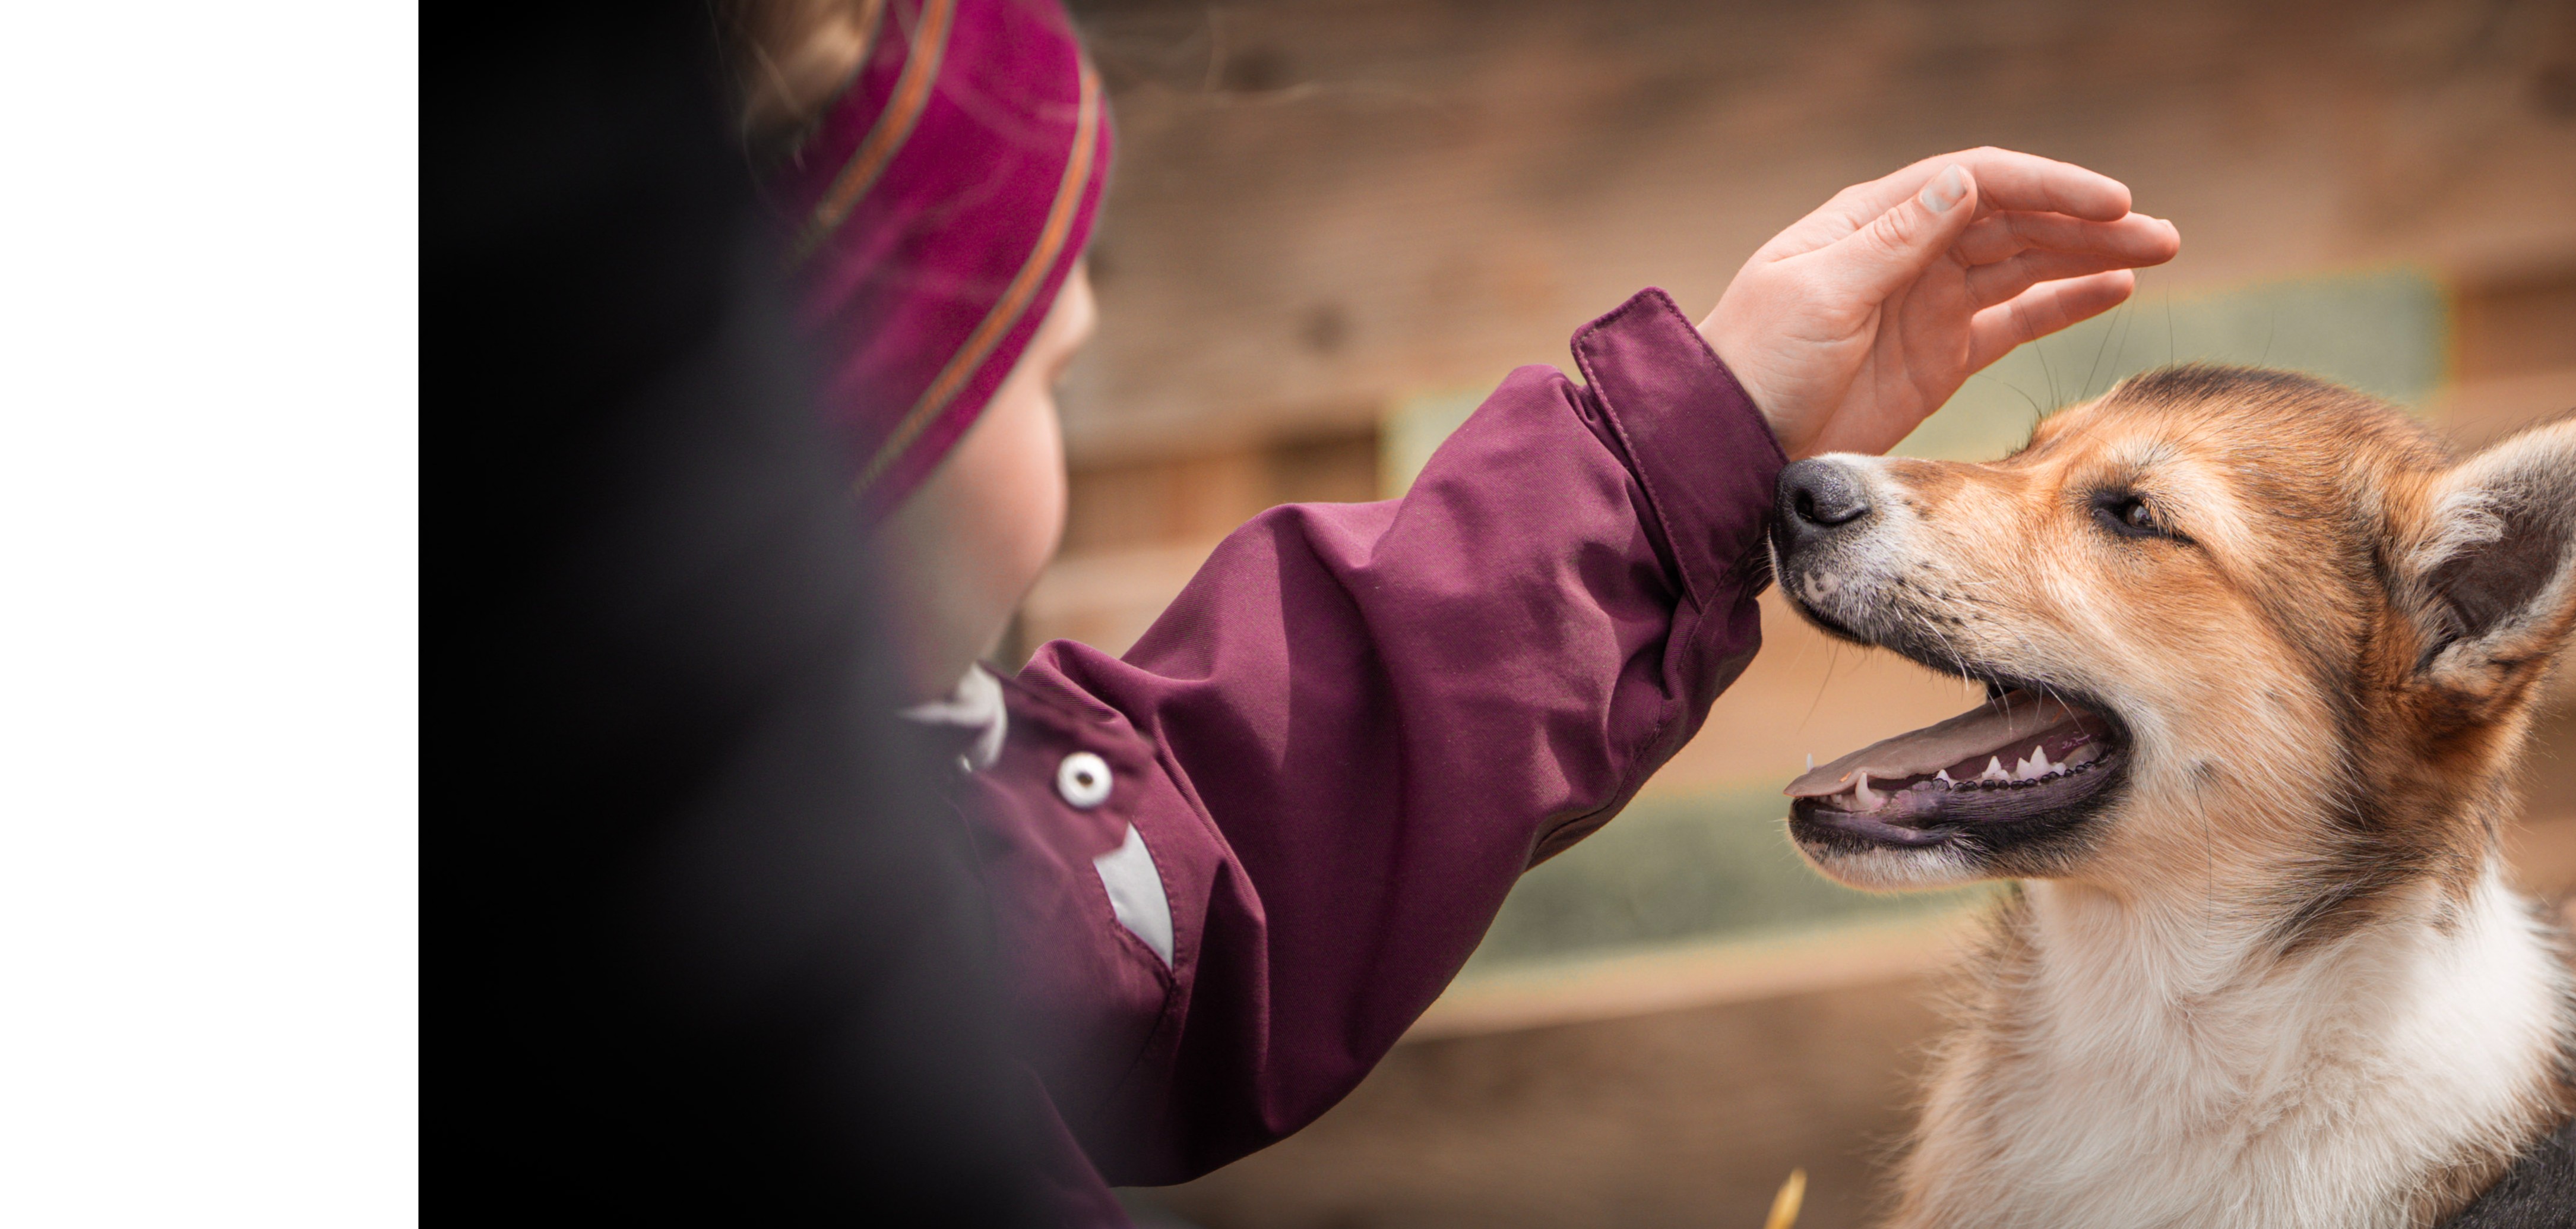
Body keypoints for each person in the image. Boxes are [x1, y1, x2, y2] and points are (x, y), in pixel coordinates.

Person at [727, 0, 2182, 1217]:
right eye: (1045, 377)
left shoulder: (847, 831)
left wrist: (1698, 440)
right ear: (851, 417)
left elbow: (1204, 845)